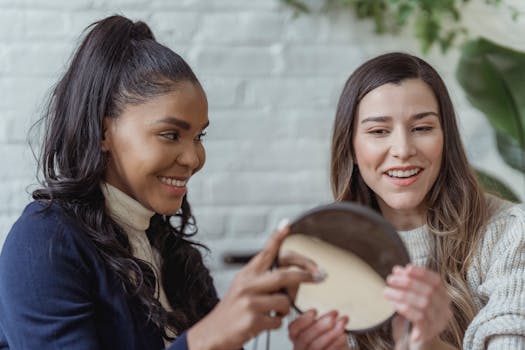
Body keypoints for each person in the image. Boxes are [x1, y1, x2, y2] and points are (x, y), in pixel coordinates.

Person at [0, 15, 326, 350]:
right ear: (102, 132)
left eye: (199, 136)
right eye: (170, 134)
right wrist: (207, 337)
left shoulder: (172, 252)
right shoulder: (45, 241)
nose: (194, 158)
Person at [288, 52, 525, 350]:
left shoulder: (513, 234)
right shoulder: (325, 253)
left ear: (446, 138)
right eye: (378, 131)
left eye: (422, 128)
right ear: (351, 147)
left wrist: (430, 345)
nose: (402, 149)